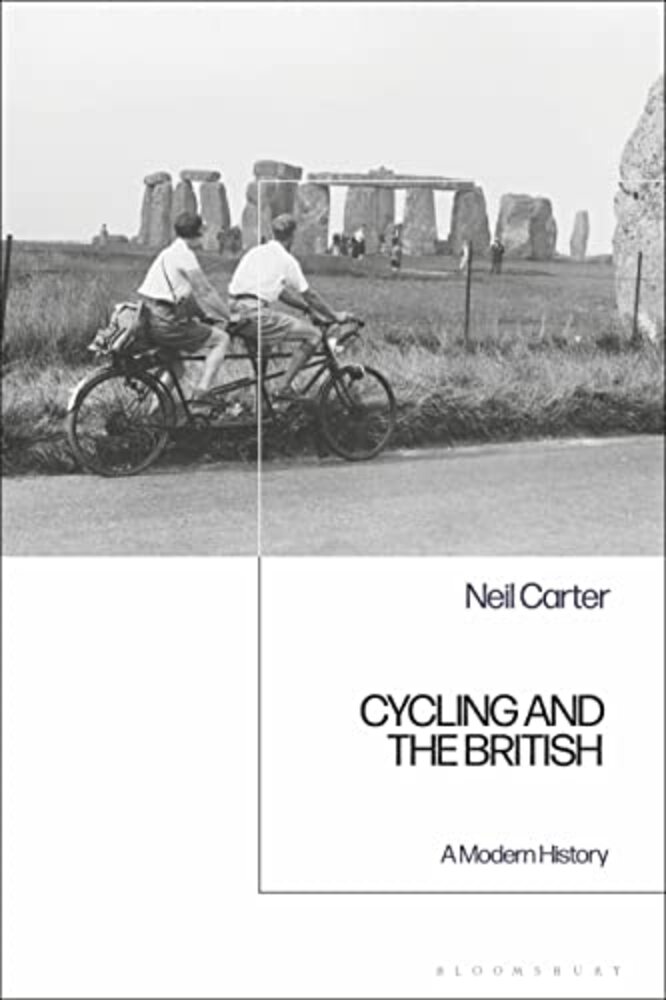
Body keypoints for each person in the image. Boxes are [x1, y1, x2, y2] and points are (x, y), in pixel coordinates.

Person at [227, 213, 354, 400]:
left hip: (234, 311)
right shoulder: (287, 260)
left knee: (264, 349)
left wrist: (306, 309)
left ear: (274, 233)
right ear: (292, 235)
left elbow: (280, 292)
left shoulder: (256, 252)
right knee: (314, 335)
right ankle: (283, 387)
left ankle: (260, 401)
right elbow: (309, 295)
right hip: (255, 312)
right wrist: (335, 315)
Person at [137, 211, 231, 400]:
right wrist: (229, 316)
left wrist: (203, 315)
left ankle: (156, 411)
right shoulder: (185, 255)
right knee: (222, 339)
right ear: (198, 232)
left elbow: (184, 297)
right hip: (168, 321)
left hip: (152, 319)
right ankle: (203, 391)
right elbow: (205, 291)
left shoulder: (168, 253)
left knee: (176, 368)